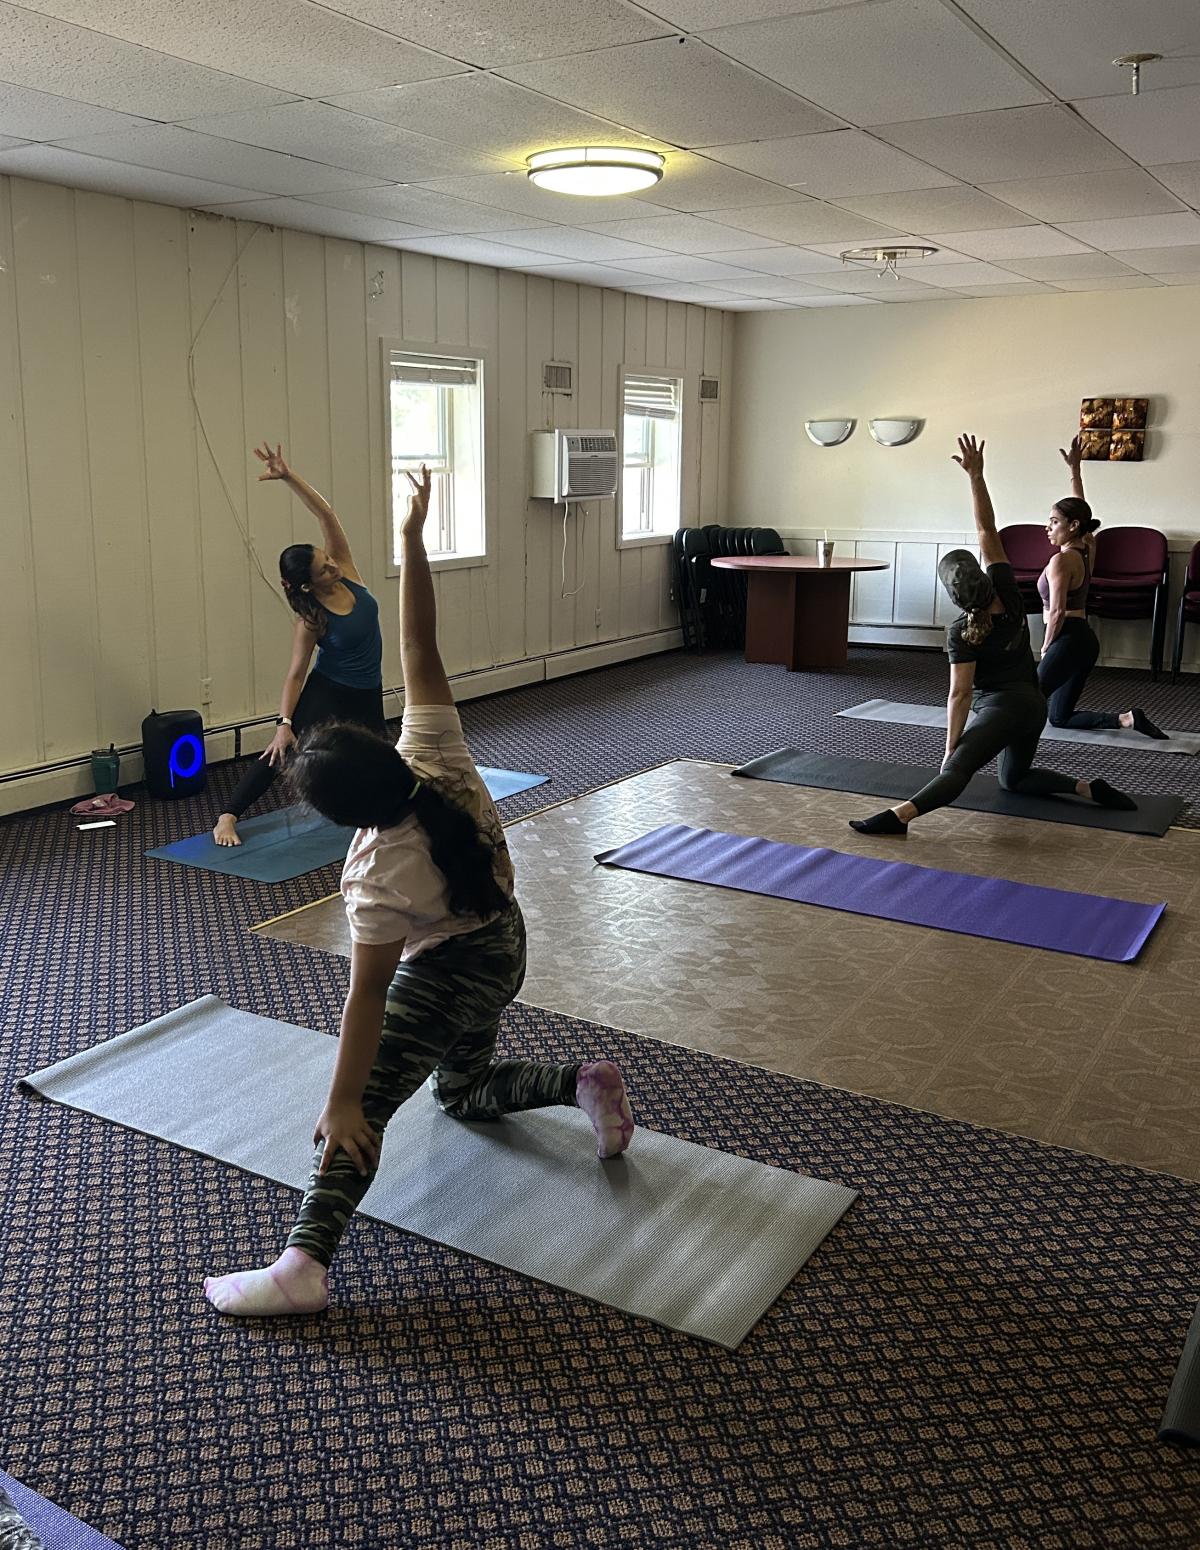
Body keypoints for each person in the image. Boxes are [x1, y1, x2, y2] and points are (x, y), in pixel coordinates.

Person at [204, 466, 634, 1317]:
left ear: (336, 813)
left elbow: (367, 1000)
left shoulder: (372, 874)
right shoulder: (436, 758)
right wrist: (411, 542)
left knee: (367, 1107)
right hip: (507, 943)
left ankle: (303, 1266)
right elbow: (420, 651)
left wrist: (341, 1098)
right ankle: (584, 1083)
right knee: (463, 1093)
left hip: (450, 970)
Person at [849, 435, 1135, 836]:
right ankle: (1086, 788)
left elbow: (960, 696)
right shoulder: (1011, 598)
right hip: (1033, 706)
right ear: (984, 579)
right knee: (1012, 779)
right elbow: (986, 528)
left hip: (1002, 711)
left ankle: (900, 817)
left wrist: (952, 747)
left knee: (959, 769)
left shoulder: (961, 632)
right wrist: (977, 476)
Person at [212, 444, 387, 847]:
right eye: (323, 567)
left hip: (367, 690)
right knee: (283, 752)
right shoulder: (311, 620)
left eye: (326, 556)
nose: (332, 563)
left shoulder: (347, 570)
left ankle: (378, 812)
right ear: (310, 584)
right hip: (330, 690)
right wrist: (284, 724)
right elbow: (295, 674)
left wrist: (289, 477)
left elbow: (326, 514)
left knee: (380, 757)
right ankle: (228, 816)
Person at [1036, 436, 1165, 738]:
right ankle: (1127, 720)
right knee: (1059, 717)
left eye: (1054, 522)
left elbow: (1056, 612)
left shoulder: (1060, 562)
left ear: (1072, 527)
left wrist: (1045, 646)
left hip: (1066, 638)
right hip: (1084, 641)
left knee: (1027, 698)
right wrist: (1075, 472)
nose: (1047, 527)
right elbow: (1082, 512)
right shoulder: (1087, 547)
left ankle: (1009, 755)